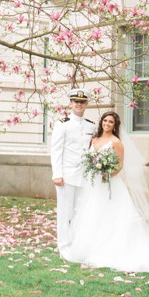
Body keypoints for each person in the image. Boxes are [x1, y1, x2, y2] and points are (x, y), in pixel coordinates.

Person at [63, 110, 149, 274]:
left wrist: (107, 174)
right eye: (105, 121)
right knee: (93, 213)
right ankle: (89, 248)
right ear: (101, 122)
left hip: (110, 184)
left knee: (112, 215)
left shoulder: (116, 142)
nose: (107, 124)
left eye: (111, 122)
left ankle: (112, 249)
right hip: (94, 186)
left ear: (115, 125)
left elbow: (119, 166)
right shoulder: (94, 139)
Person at [49, 88, 96, 258]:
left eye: (82, 102)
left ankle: (76, 245)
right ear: (70, 103)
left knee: (78, 212)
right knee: (65, 212)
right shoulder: (62, 124)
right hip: (66, 176)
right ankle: (64, 247)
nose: (79, 105)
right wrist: (57, 174)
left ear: (86, 104)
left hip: (84, 176)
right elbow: (56, 150)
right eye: (76, 102)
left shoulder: (91, 125)